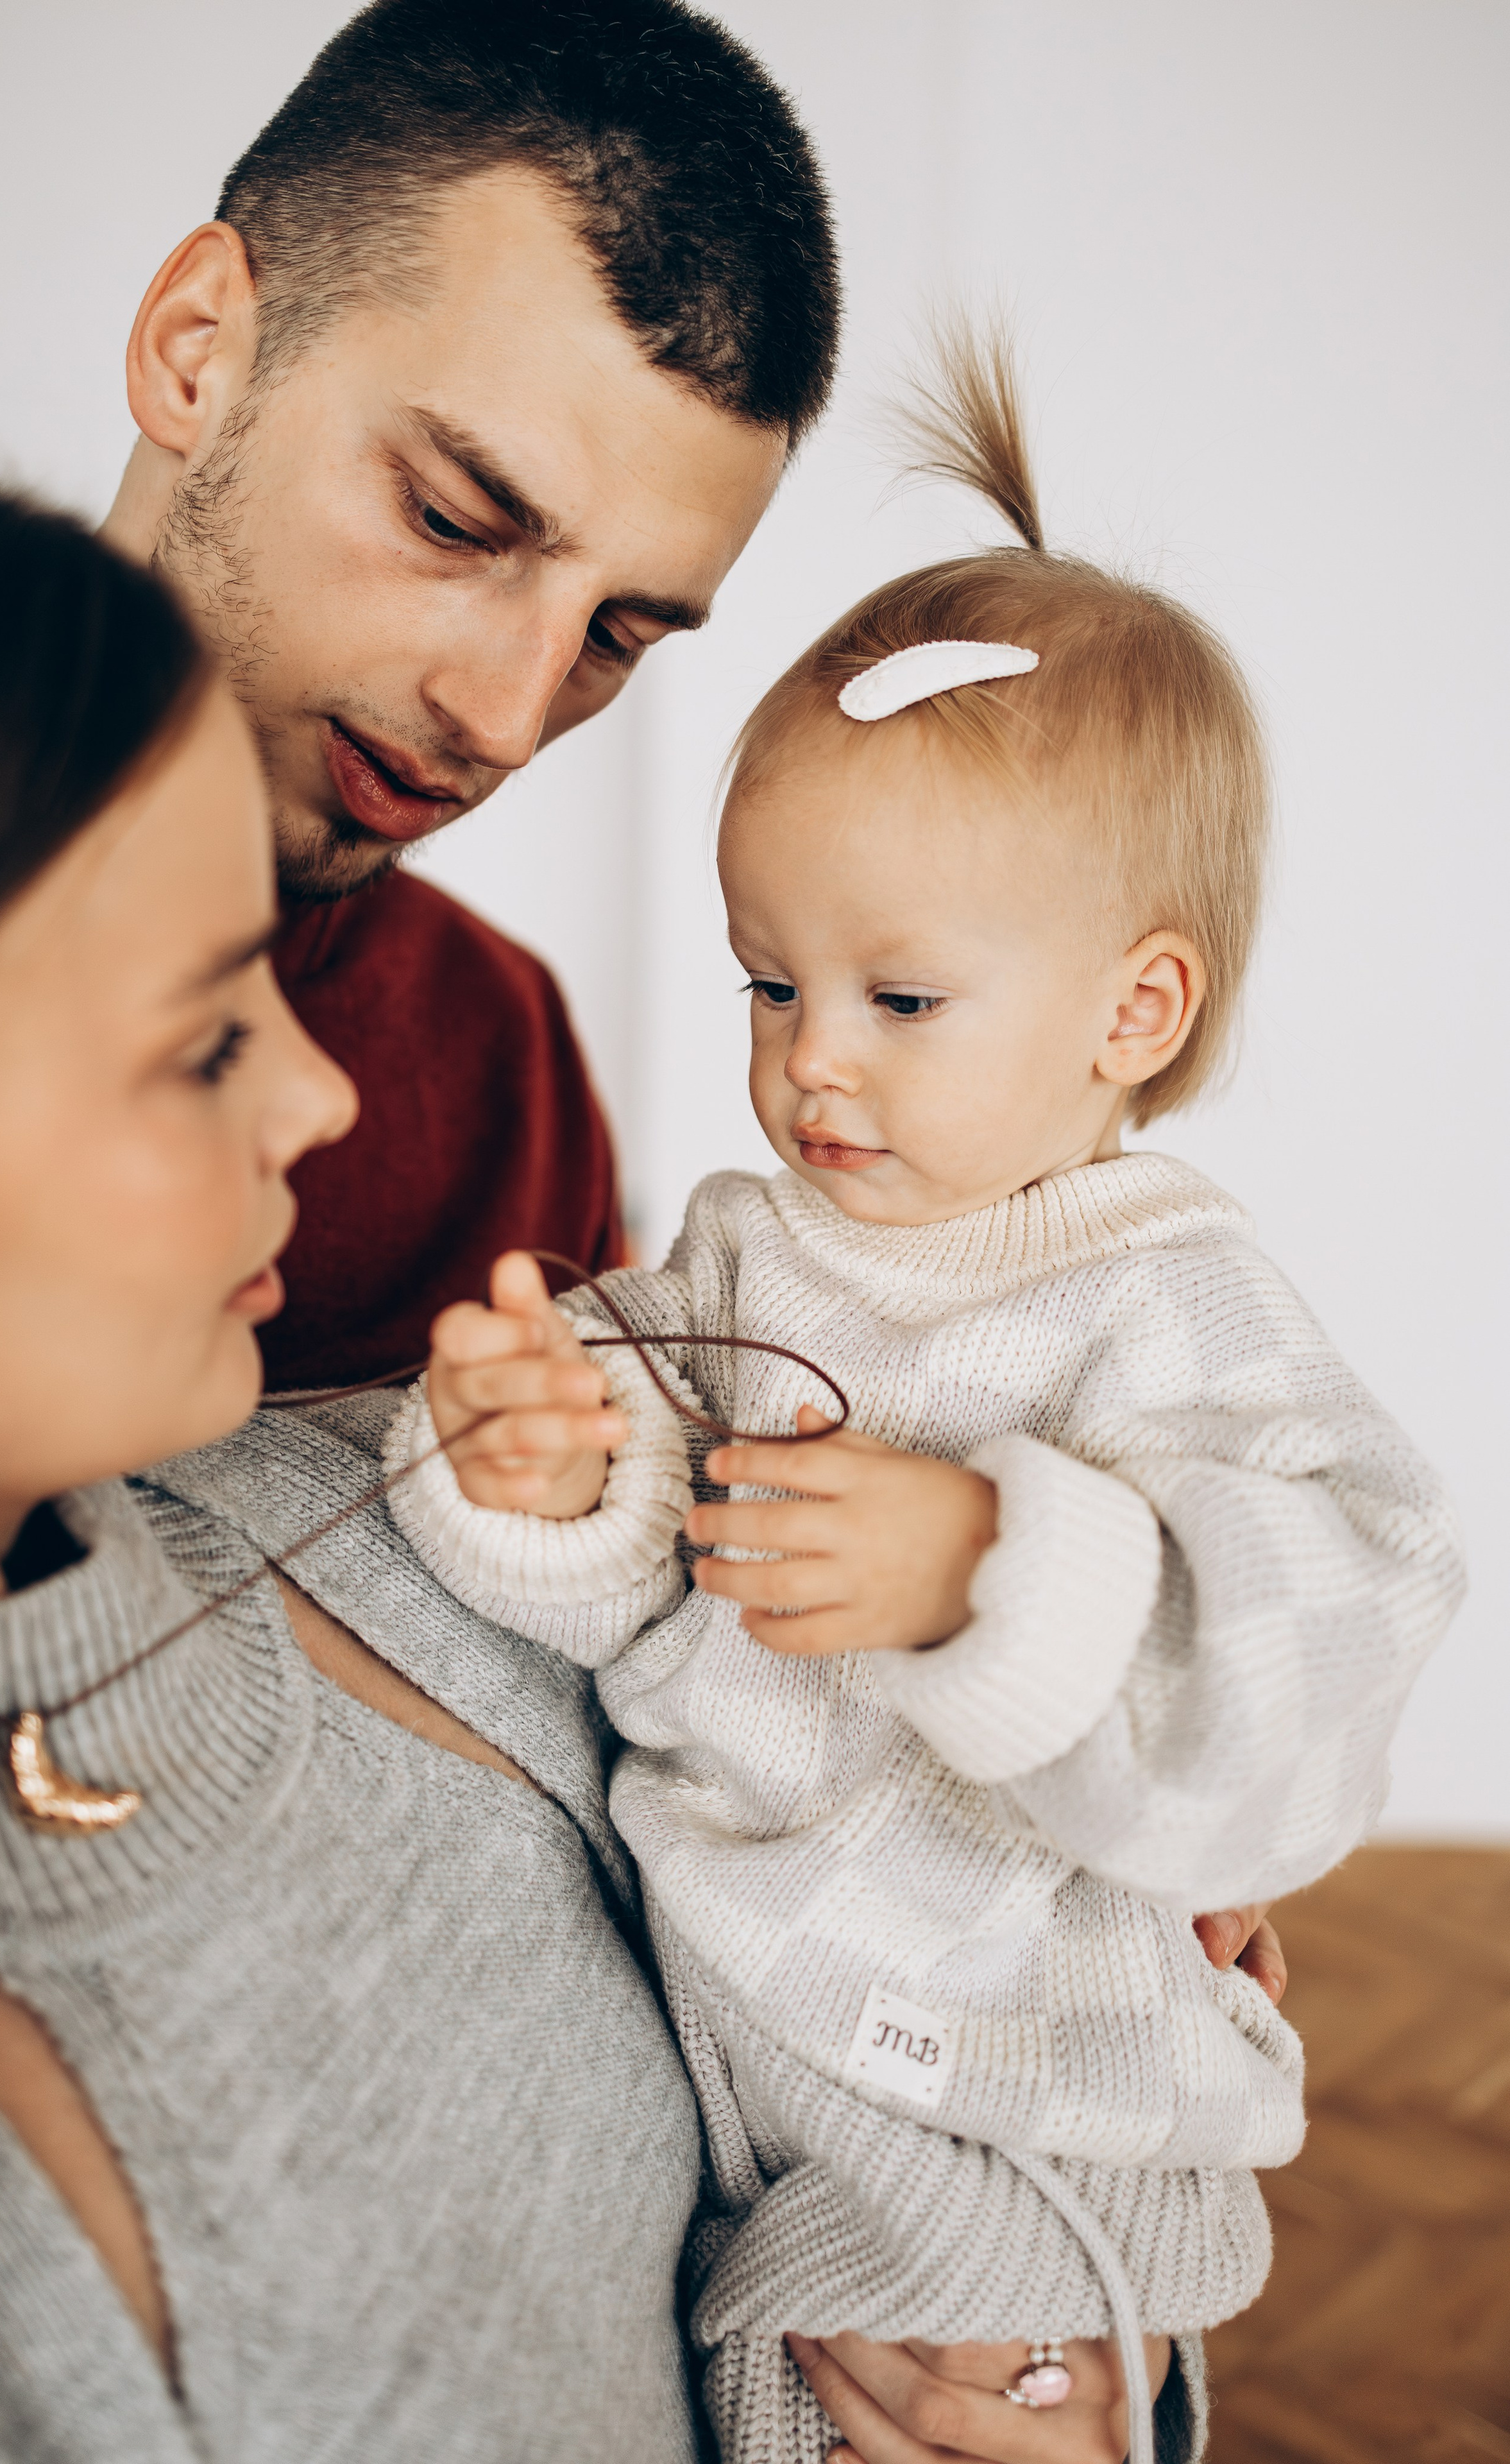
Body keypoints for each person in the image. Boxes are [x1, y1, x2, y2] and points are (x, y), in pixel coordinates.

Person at [0, 450, 1219, 2464]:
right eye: (200, 1037)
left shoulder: (412, 1507)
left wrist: (1060, 2364)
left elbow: (950, 1994)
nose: (328, 1092)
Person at [388, 334, 1465, 2461]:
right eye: (771, 982)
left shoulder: (1172, 1303)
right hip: (754, 2089)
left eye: (897, 997)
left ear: (1132, 1010)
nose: (814, 1063)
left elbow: (1338, 1624)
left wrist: (996, 1563)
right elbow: (624, 1565)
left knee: (988, 2423)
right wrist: (537, 1463)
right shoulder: (743, 1253)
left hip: (1037, 2110)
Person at [102, 0, 840, 1390]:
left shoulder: (509, 1079)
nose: (505, 721)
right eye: (450, 522)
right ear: (198, 348)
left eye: (615, 635)